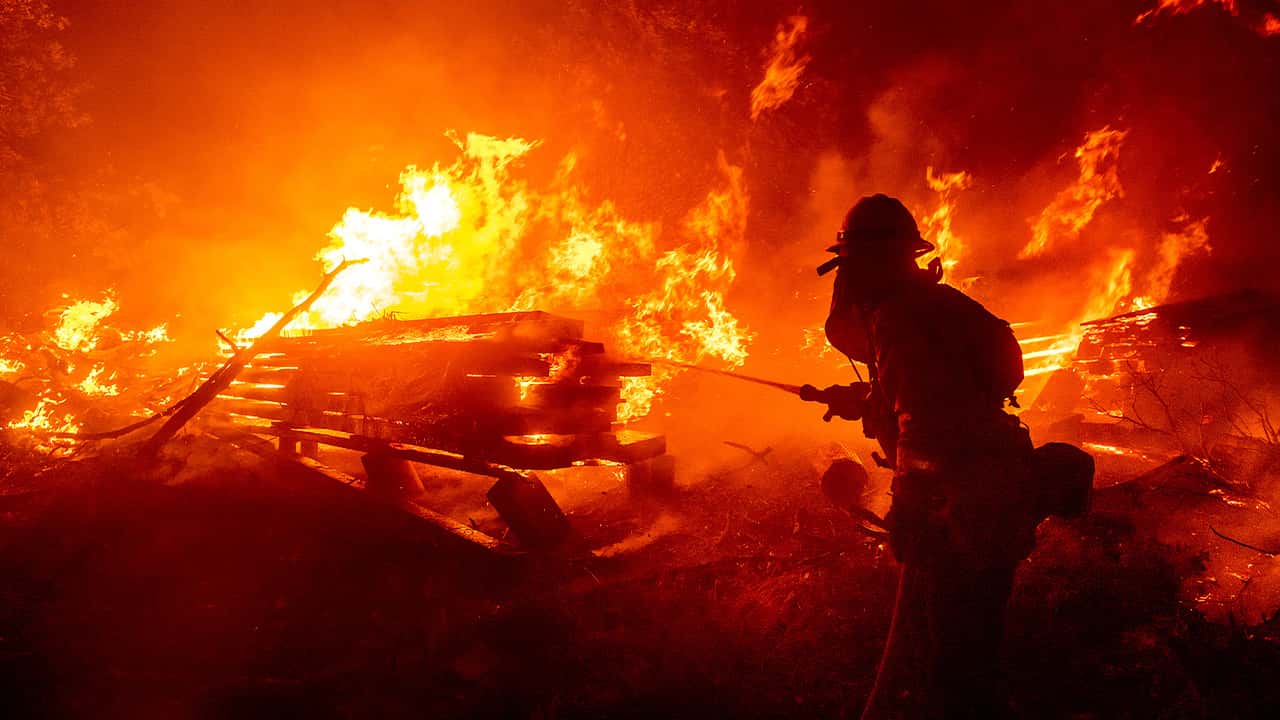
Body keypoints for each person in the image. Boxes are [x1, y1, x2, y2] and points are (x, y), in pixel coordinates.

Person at [808, 194, 1040, 719]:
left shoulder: (897, 316)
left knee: (951, 656)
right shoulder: (939, 305)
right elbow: (941, 393)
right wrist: (865, 400)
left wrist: (912, 501)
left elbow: (926, 424)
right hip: (996, 487)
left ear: (862, 262)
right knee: (973, 641)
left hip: (960, 504)